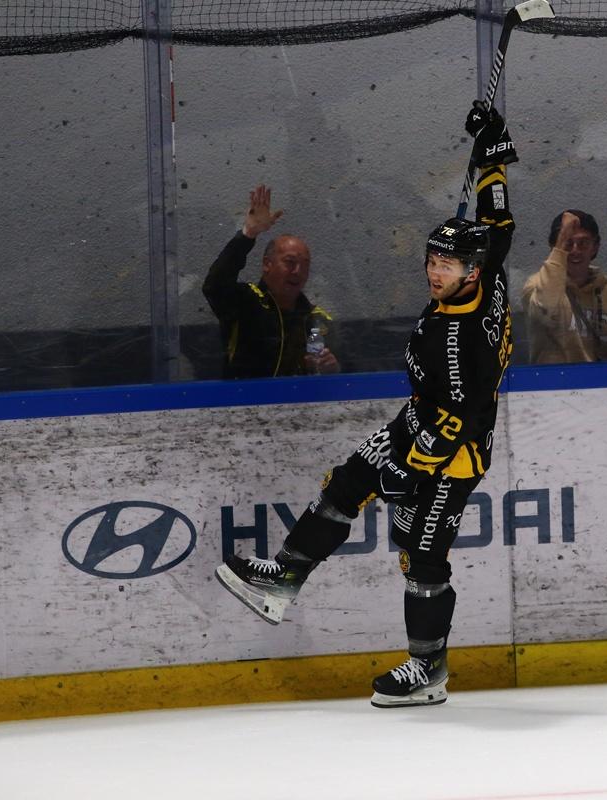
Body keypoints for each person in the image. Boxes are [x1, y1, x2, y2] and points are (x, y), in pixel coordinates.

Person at [215, 101, 518, 708]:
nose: (434, 272)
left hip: (452, 452)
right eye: (432, 260)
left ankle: (427, 668)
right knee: (349, 481)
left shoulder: (458, 341)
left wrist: (411, 470)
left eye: (447, 264)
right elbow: (498, 221)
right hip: (420, 420)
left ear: (470, 270)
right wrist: (492, 150)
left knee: (422, 559)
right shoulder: (486, 278)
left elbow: (459, 418)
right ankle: (285, 577)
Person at [202, 185, 340, 379]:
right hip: (245, 398)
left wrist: (332, 370)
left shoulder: (317, 320)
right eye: (290, 262)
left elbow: (347, 375)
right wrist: (248, 234)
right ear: (267, 264)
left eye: (305, 264)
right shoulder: (245, 302)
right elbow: (214, 285)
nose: (298, 271)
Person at [520, 210, 607, 364]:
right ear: (555, 247)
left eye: (583, 243)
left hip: (605, 379)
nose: (575, 250)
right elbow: (546, 308)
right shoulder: (536, 286)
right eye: (568, 243)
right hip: (553, 379)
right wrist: (562, 238)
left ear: (595, 247)